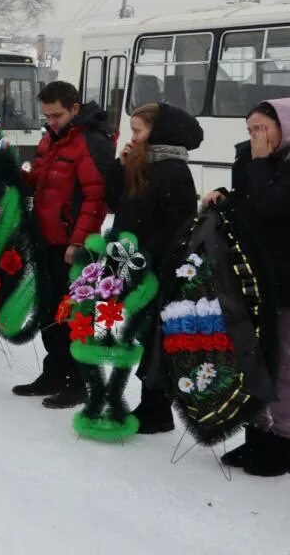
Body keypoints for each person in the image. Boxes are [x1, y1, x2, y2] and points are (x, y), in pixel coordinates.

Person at [203, 99, 290, 477]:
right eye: (250, 129)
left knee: (283, 363)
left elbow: (272, 206)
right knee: (255, 357)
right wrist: (226, 197)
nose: (256, 136)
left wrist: (258, 162)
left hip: (286, 280)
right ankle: (257, 434)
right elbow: (251, 205)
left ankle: (280, 443)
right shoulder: (253, 160)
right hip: (255, 275)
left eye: (263, 128)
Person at [15, 81, 114, 408]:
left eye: (57, 115)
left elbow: (95, 198)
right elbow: (41, 179)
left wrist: (79, 241)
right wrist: (18, 176)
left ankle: (80, 380)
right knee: (49, 312)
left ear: (74, 108)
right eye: (47, 116)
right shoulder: (52, 138)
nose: (51, 121)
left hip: (73, 244)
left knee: (73, 314)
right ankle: (55, 371)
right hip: (47, 238)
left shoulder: (91, 141)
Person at [104, 102, 202, 434]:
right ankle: (151, 405)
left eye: (138, 131)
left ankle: (157, 409)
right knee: (141, 334)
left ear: (158, 132)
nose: (133, 138)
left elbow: (175, 226)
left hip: (155, 268)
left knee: (154, 337)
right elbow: (115, 202)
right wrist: (120, 165)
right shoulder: (144, 164)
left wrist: (143, 258)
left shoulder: (173, 170)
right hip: (133, 261)